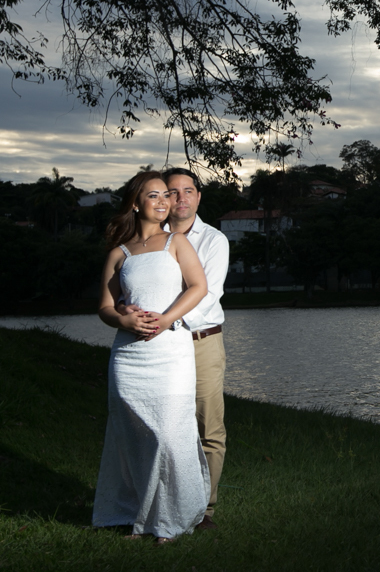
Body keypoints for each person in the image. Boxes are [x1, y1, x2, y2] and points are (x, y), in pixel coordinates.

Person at [92, 171, 210, 543]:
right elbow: (105, 307)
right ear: (135, 203)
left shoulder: (176, 242)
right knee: (135, 438)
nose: (164, 202)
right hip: (128, 359)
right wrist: (123, 319)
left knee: (170, 435)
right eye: (154, 195)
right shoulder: (119, 253)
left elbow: (199, 287)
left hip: (170, 353)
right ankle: (136, 514)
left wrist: (165, 320)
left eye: (167, 196)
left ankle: (175, 518)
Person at [163, 167, 230, 530]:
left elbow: (206, 295)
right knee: (169, 426)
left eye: (189, 190)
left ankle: (205, 509)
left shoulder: (214, 240)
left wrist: (162, 321)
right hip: (161, 346)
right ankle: (169, 501)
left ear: (198, 197)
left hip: (201, 341)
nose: (182, 198)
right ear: (162, 198)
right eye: (173, 192)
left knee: (208, 427)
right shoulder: (150, 240)